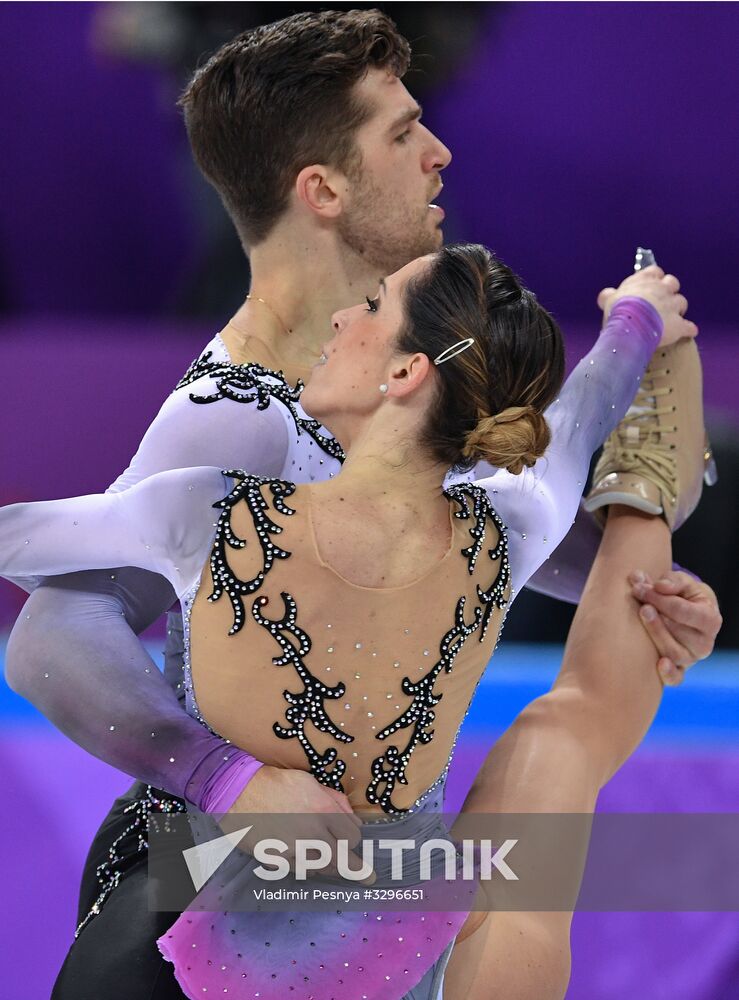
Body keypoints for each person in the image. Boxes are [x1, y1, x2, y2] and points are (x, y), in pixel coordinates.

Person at [3, 8, 720, 997]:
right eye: (401, 132)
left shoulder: (426, 394)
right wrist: (230, 779)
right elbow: (52, 638)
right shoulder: (229, 423)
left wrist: (651, 595)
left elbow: (538, 519)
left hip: (370, 900)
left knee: (548, 817)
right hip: (207, 887)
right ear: (323, 189)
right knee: (556, 791)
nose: (439, 152)